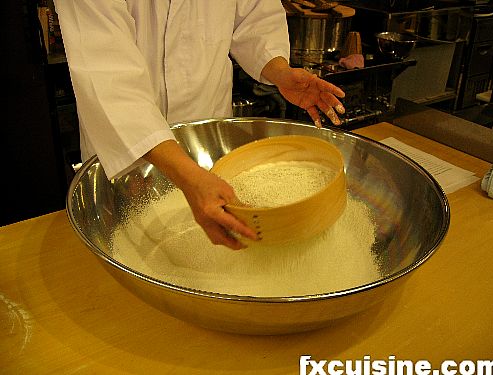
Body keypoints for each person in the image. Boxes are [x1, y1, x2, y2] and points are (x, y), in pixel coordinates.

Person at [54, 1, 346, 250]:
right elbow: (107, 74)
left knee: (217, 252)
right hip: (128, 144)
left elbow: (254, 15)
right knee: (133, 248)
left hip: (205, 137)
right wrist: (188, 176)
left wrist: (279, 71)